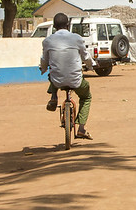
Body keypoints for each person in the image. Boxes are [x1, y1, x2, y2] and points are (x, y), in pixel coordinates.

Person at [39, 12, 95, 140]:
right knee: (86, 97)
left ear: (54, 26)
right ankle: (81, 128)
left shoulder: (47, 41)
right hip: (75, 79)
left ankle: (54, 96)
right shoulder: (76, 38)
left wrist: (42, 68)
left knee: (51, 74)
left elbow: (44, 59)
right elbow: (85, 56)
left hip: (57, 80)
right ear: (68, 25)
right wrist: (91, 65)